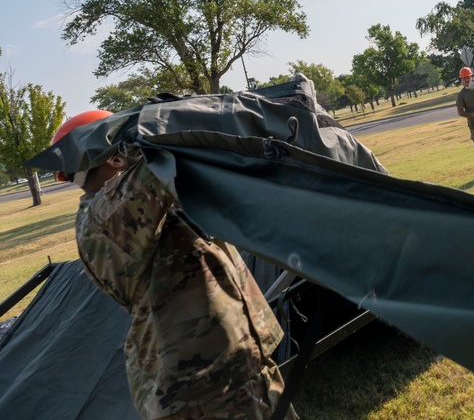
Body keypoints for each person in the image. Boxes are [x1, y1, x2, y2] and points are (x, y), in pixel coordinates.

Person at [54, 110, 295, 420]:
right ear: (115, 157)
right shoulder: (102, 220)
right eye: (128, 141)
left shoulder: (153, 199)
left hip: (241, 361)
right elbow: (170, 156)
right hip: (197, 393)